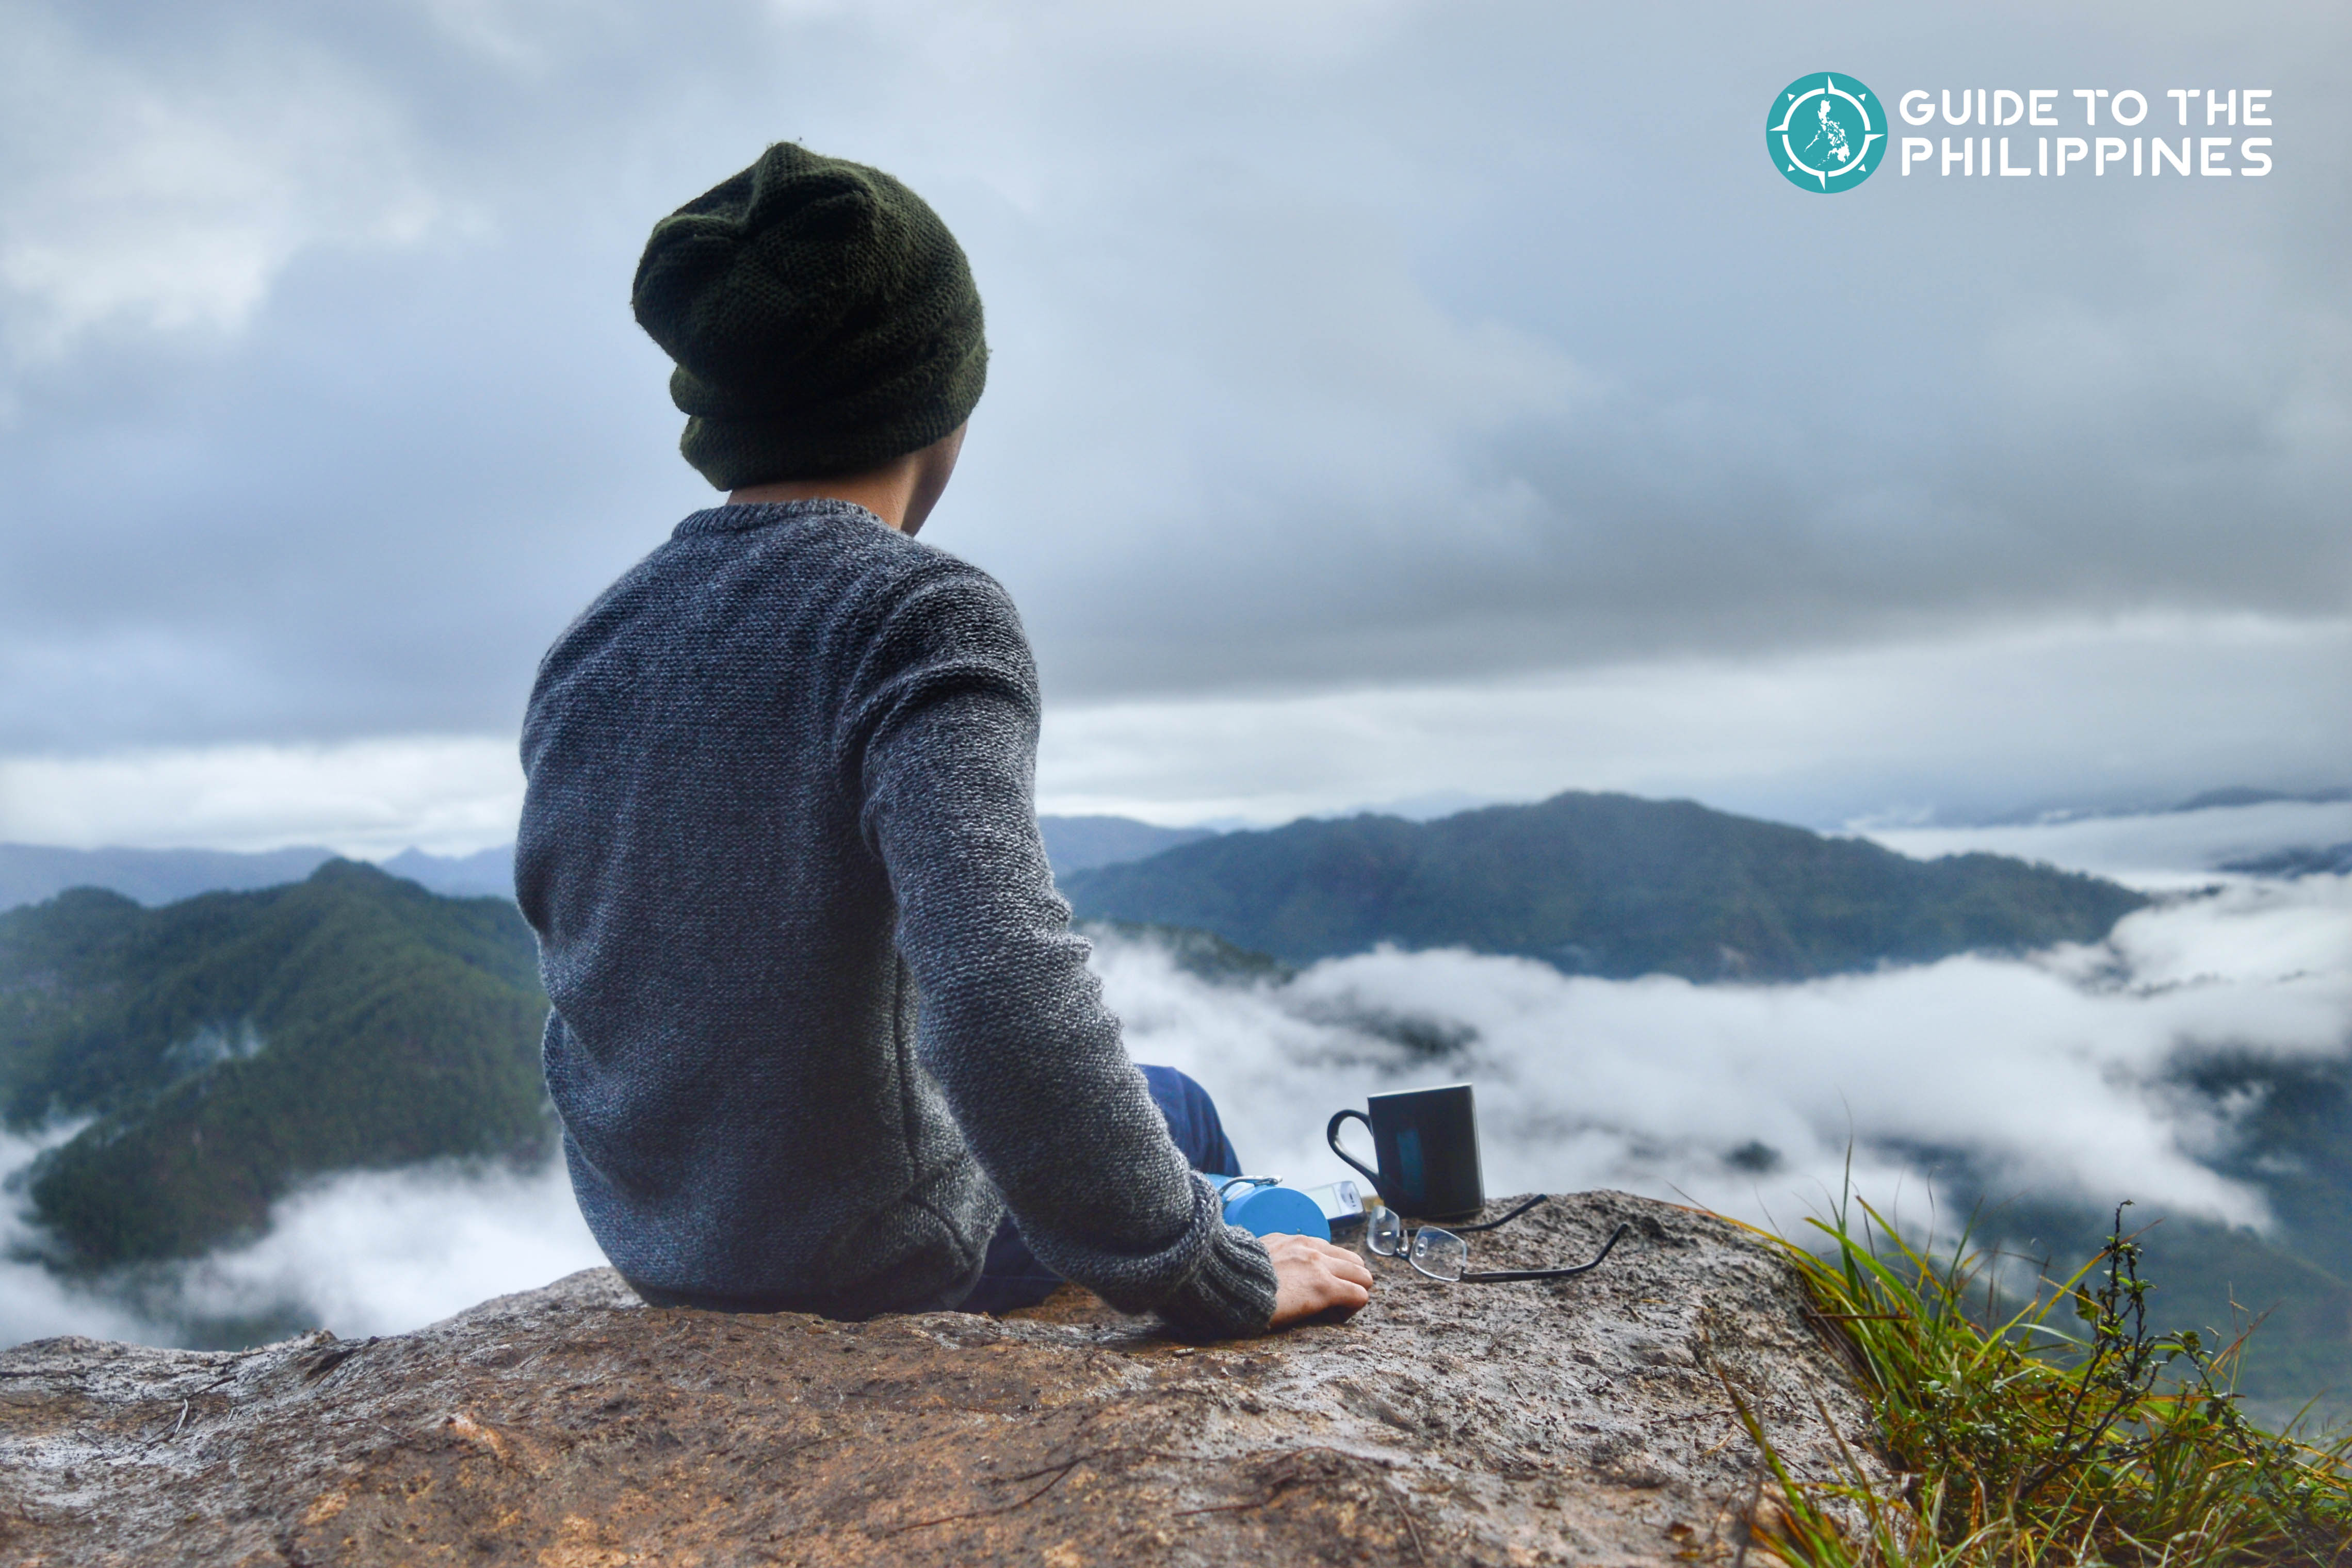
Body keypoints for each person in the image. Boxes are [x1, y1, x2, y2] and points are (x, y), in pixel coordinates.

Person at [515, 142, 1372, 1339]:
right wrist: (1206, 1274)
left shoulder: (592, 642)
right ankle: (1262, 1275)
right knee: (1182, 1121)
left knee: (1155, 1100)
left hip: (665, 1240)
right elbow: (999, 989)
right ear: (939, 398)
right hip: (874, 1250)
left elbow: (587, 951)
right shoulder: (916, 612)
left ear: (720, 411)